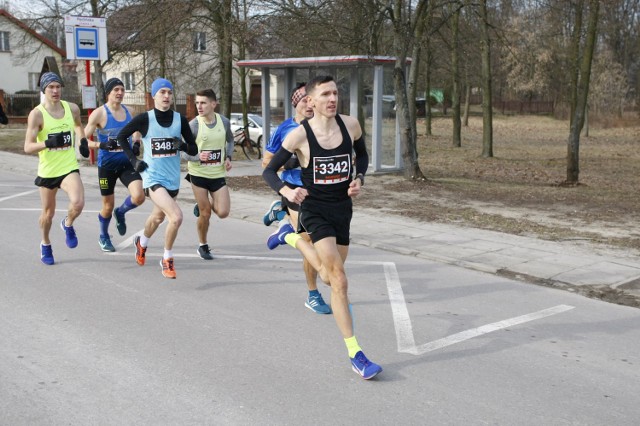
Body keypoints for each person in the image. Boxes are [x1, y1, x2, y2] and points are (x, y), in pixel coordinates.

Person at [262, 75, 381, 379]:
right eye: (325, 94)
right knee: (339, 281)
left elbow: (363, 156)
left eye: (335, 93)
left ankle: (290, 237)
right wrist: (285, 192)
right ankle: (356, 353)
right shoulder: (298, 136)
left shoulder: (350, 125)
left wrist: (359, 179)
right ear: (310, 102)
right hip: (314, 209)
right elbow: (270, 170)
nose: (332, 98)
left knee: (330, 277)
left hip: (343, 210)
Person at [117, 77, 198, 279]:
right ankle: (167, 259)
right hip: (152, 177)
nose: (166, 96)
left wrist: (183, 146)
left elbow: (194, 148)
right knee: (176, 217)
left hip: (172, 180)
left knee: (158, 217)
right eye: (162, 92)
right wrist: (134, 161)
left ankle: (141, 242)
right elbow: (121, 137)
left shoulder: (179, 120)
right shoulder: (145, 119)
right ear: (153, 96)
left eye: (169, 92)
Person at [261, 83, 331, 315]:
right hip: (295, 190)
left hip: (320, 192)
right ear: (297, 104)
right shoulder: (286, 129)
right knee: (311, 242)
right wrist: (289, 162)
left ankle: (281, 220)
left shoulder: (324, 126)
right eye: (304, 101)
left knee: (320, 242)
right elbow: (266, 164)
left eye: (311, 100)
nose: (309, 105)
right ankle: (313, 294)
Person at [24, 71, 90, 265]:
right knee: (47, 214)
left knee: (78, 203)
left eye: (58, 86)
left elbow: (78, 126)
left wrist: (83, 140)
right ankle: (45, 243)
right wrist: (48, 143)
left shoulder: (72, 109)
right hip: (48, 171)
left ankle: (67, 223)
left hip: (68, 167)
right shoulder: (37, 114)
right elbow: (28, 147)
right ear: (44, 90)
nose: (55, 90)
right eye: (51, 87)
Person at [84, 78, 145, 252]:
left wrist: (136, 142)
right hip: (107, 167)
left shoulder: (130, 111)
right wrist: (100, 145)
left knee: (139, 196)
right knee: (107, 206)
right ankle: (103, 236)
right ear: (108, 93)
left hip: (126, 164)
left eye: (122, 90)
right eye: (116, 90)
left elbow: (138, 128)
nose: (120, 93)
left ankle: (121, 212)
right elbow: (82, 140)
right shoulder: (99, 114)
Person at [181, 89, 233, 260]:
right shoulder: (194, 125)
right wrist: (197, 157)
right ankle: (203, 245)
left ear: (213, 104)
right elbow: (182, 151)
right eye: (197, 103)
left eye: (203, 102)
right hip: (198, 174)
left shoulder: (223, 122)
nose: (199, 106)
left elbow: (230, 140)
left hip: (217, 174)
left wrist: (228, 157)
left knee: (223, 212)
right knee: (206, 213)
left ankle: (203, 204)